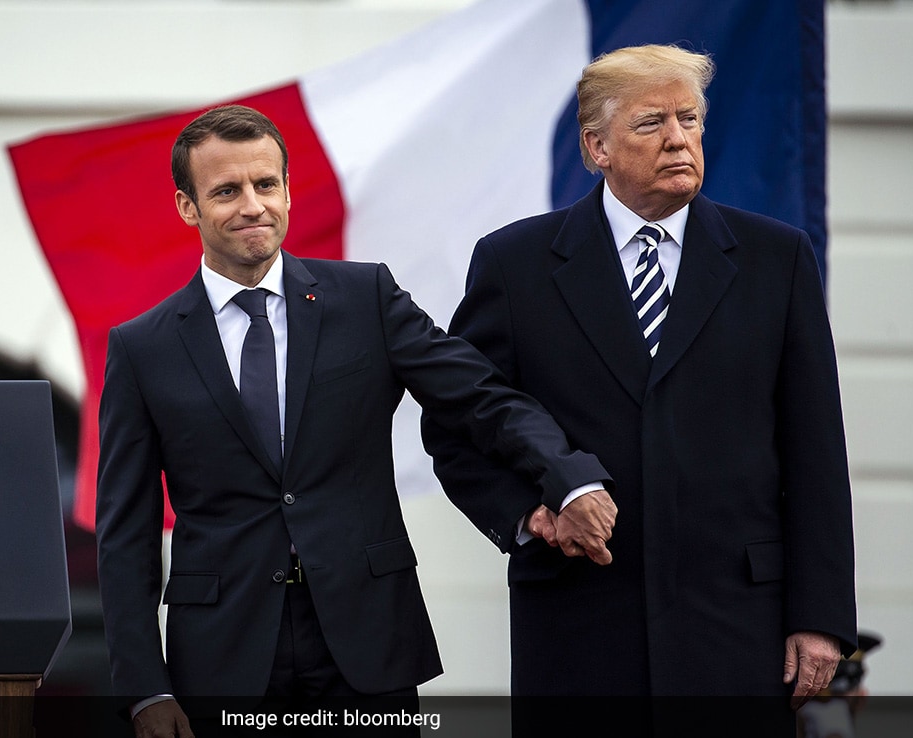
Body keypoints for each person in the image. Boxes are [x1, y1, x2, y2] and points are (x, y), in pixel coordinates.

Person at [95, 104, 614, 737]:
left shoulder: (366, 299)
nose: (253, 205)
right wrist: (145, 687)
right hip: (221, 657)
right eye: (227, 191)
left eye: (266, 185)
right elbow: (125, 535)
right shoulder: (141, 347)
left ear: (287, 190)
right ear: (187, 207)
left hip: (368, 640)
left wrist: (568, 477)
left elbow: (481, 398)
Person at [421, 44, 857, 733]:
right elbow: (456, 425)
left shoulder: (779, 258)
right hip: (578, 625)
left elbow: (815, 454)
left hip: (737, 630)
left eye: (690, 119)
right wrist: (529, 516)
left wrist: (821, 618)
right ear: (597, 146)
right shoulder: (515, 263)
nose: (680, 138)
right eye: (652, 123)